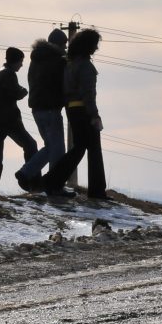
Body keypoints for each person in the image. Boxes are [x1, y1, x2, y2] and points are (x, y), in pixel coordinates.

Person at [39, 28, 108, 200]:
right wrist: (95, 115)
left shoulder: (70, 64)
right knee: (91, 150)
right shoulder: (86, 66)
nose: (96, 49)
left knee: (80, 148)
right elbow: (88, 94)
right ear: (88, 46)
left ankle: (55, 180)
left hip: (72, 109)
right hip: (84, 110)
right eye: (95, 45)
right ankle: (95, 191)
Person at [15, 29, 68, 192]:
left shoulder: (36, 59)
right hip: (51, 109)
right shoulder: (57, 60)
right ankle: (55, 186)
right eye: (64, 45)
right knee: (58, 149)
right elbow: (61, 84)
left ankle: (26, 172)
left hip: (37, 109)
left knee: (50, 146)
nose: (65, 48)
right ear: (59, 44)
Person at [0, 47, 37, 195]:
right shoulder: (9, 74)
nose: (21, 65)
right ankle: (32, 181)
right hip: (9, 122)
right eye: (21, 61)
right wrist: (24, 91)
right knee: (31, 145)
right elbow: (15, 93)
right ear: (16, 61)